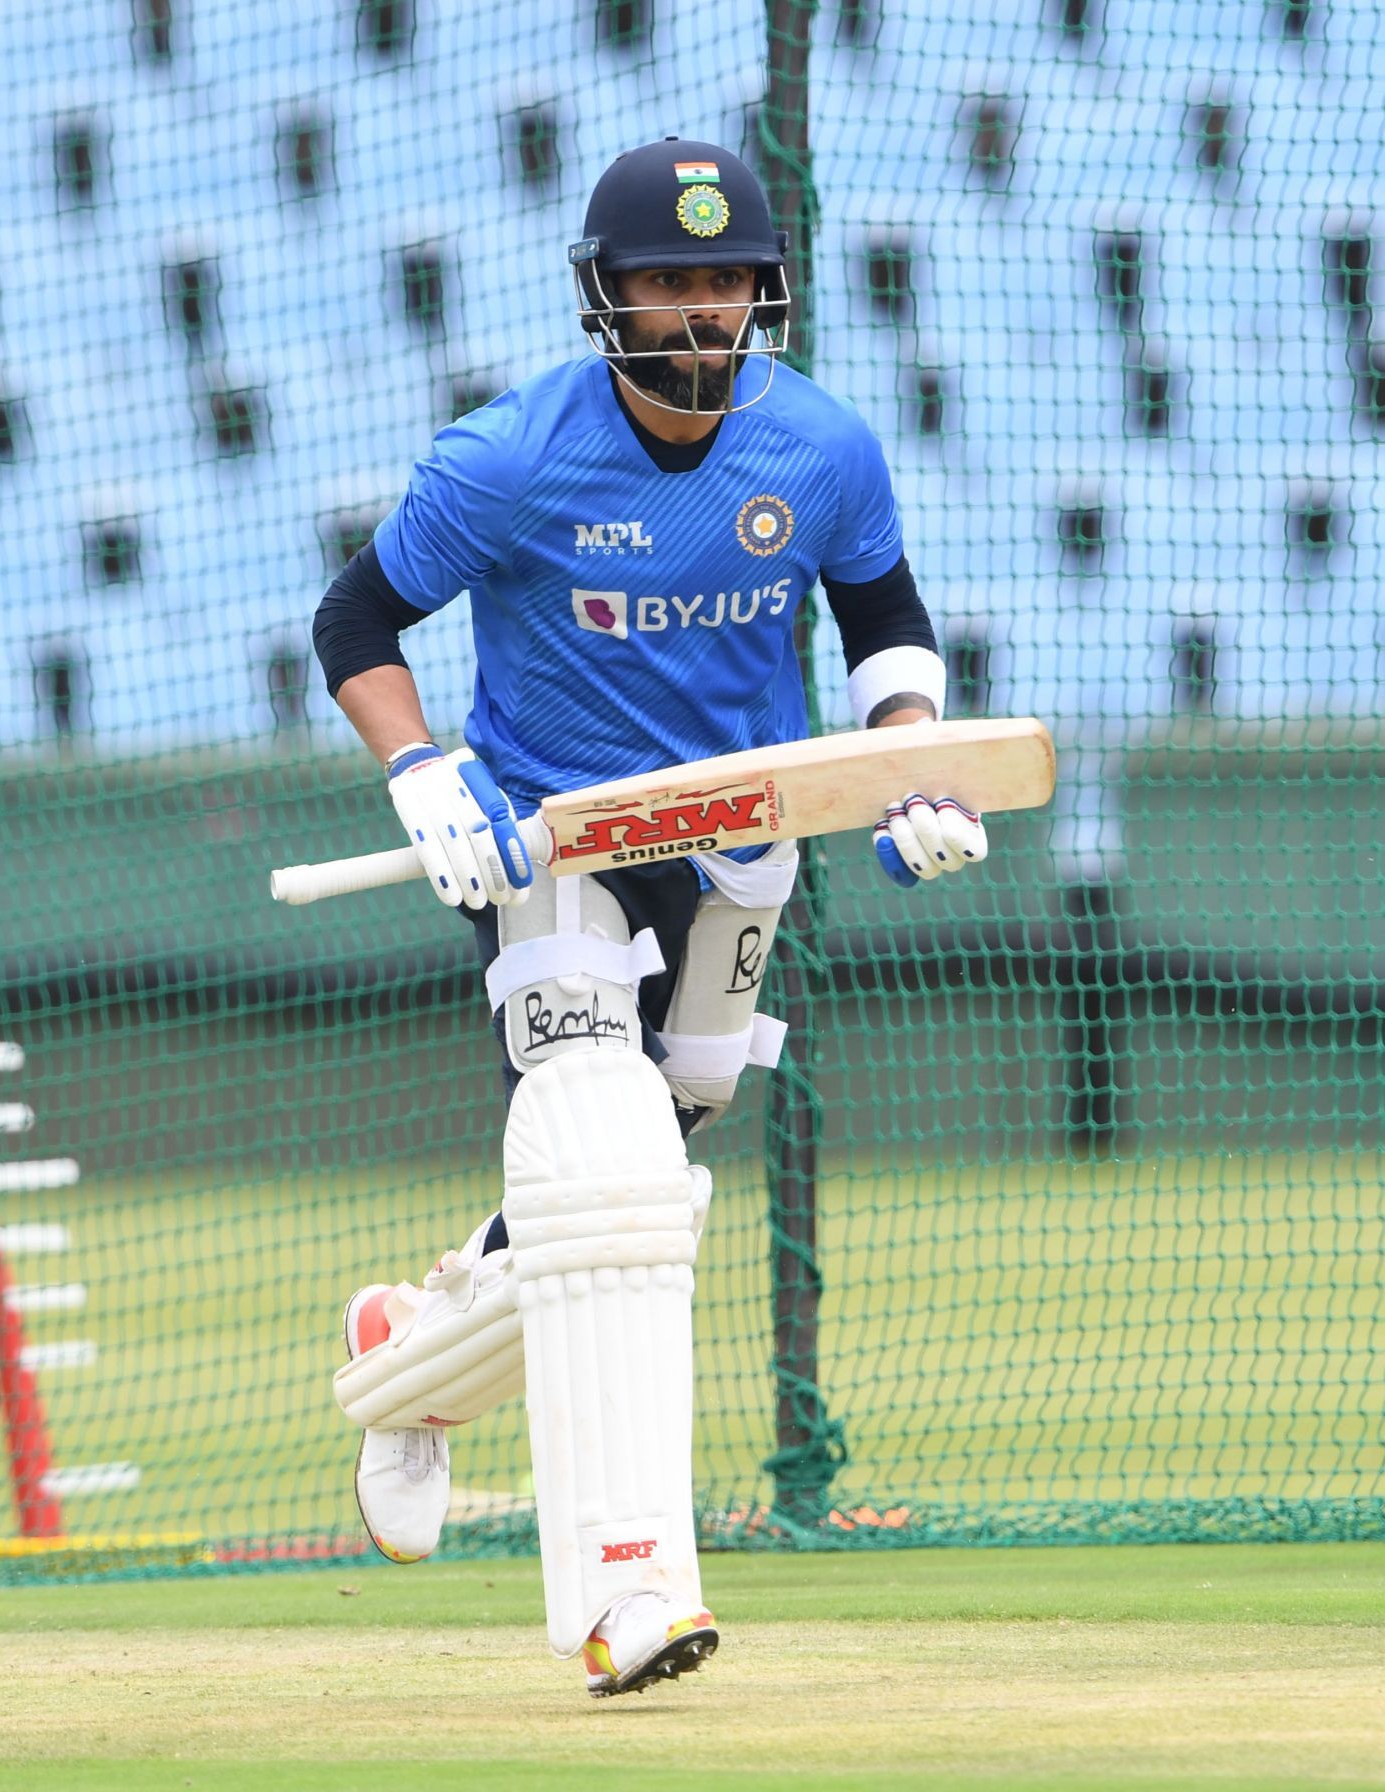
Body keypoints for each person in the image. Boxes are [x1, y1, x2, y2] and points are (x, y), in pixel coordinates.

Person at [313, 137, 988, 1698]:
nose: (699, 313)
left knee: (640, 1183)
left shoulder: (819, 447)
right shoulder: (506, 457)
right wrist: (422, 770)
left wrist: (915, 777)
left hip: (742, 842)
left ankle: (408, 1356)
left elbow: (886, 624)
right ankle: (627, 1592)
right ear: (606, 294)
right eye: (668, 282)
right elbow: (356, 617)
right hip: (556, 837)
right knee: (606, 1156)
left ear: (766, 291)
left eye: (725, 281)